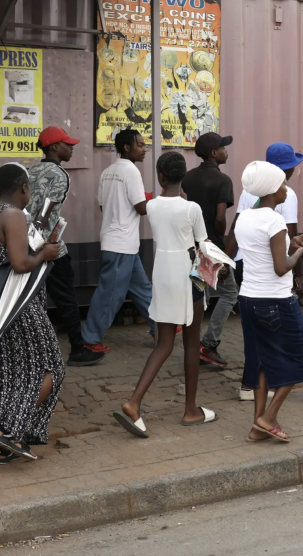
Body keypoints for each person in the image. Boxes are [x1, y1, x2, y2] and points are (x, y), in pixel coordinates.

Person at [114, 152, 219, 437]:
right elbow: (204, 244)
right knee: (191, 342)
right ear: (183, 176)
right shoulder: (192, 208)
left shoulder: (151, 206)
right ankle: (191, 410)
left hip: (161, 273)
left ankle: (134, 402)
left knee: (163, 344)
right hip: (189, 276)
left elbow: (167, 213)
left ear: (160, 177)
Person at [0, 163, 64, 464]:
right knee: (51, 367)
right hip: (15, 301)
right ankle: (9, 432)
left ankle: (3, 447)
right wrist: (46, 254)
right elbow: (20, 263)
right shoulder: (12, 215)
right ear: (24, 187)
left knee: (10, 373)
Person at [230, 161, 303, 442]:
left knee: (261, 362)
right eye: (282, 184)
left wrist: (291, 244)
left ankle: (258, 426)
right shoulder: (274, 219)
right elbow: (281, 268)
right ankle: (268, 417)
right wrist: (301, 253)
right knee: (298, 359)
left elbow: (262, 253)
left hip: (248, 298)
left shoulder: (244, 217)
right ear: (270, 189)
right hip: (276, 300)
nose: (286, 189)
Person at [229, 143, 303, 400]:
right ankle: (267, 410)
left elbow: (236, 230)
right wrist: (299, 258)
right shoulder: (280, 207)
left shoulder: (250, 197)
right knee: (286, 348)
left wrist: (227, 261)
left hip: (248, 280)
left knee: (254, 338)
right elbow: (282, 259)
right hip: (272, 290)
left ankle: (250, 387)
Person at [26, 126, 102, 364]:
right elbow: (46, 212)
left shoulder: (31, 171)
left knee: (31, 302)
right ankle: (78, 351)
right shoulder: (59, 175)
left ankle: (32, 354)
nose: (71, 148)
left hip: (25, 242)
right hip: (49, 247)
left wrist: (28, 241)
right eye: (67, 144)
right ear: (54, 147)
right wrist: (42, 242)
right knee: (67, 300)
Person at [80, 129, 155, 364]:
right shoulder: (131, 171)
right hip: (122, 244)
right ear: (126, 148)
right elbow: (141, 208)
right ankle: (90, 339)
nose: (144, 149)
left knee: (143, 289)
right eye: (140, 145)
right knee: (110, 294)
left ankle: (162, 327)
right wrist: (163, 202)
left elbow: (103, 206)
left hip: (117, 241)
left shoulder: (107, 172)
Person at [181, 132, 236, 369]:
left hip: (190, 245)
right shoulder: (223, 180)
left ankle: (193, 347)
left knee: (196, 296)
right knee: (230, 293)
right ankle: (208, 344)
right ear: (214, 153)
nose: (227, 150)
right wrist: (220, 244)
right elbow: (221, 217)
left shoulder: (187, 178)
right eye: (223, 147)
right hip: (211, 245)